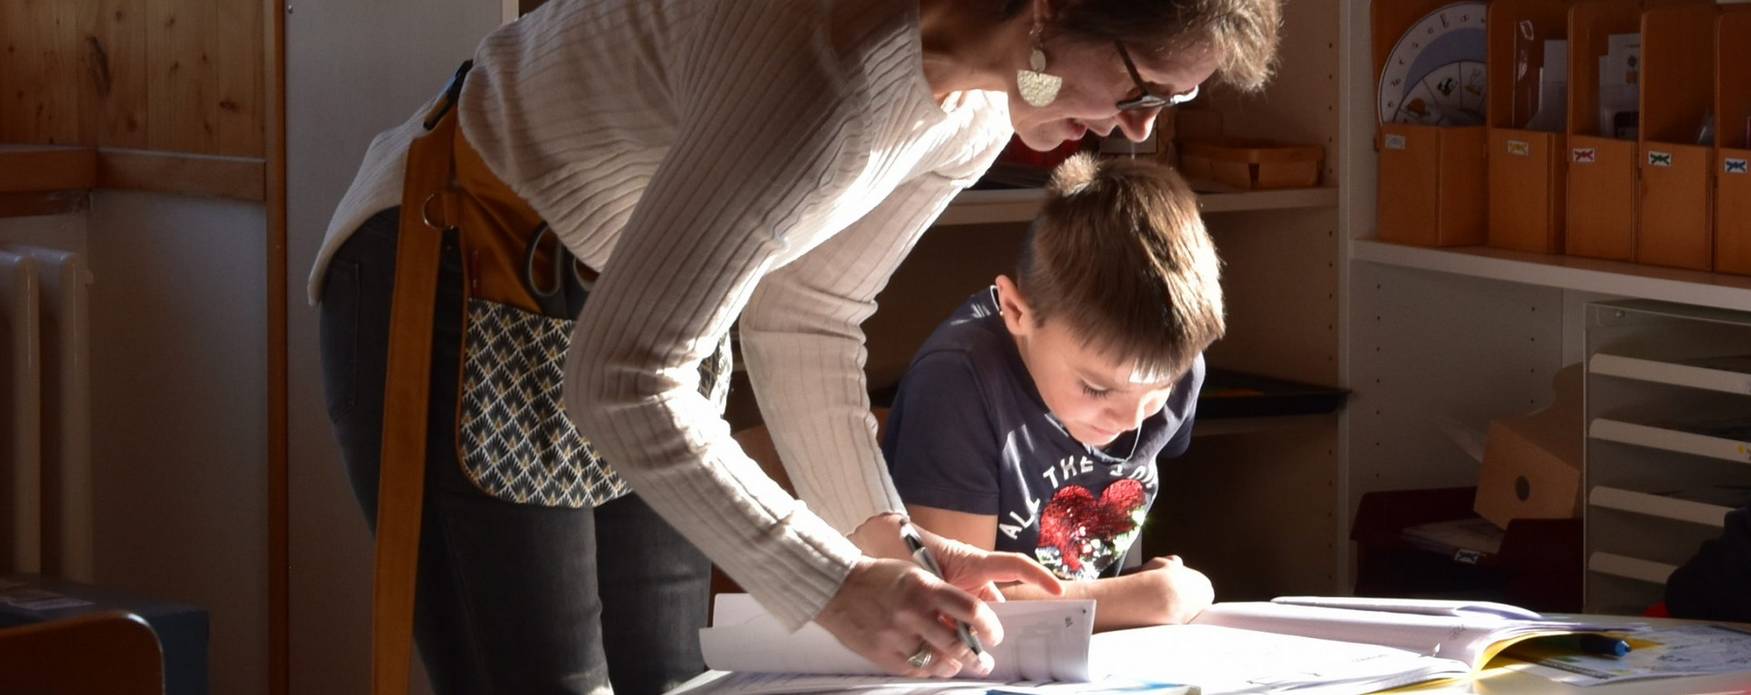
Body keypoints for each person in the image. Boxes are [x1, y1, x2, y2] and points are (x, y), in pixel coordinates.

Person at [313, 0, 1281, 692]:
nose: (1135, 127)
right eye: (1143, 86)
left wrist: (895, 548)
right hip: (462, 251)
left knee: (669, 677)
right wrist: (835, 586)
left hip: (635, 301)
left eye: (1171, 105)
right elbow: (618, 375)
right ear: (1049, 9)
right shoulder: (827, 65)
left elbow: (806, 309)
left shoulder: (978, 106)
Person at [883, 154, 1221, 632]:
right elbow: (957, 606)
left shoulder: (1169, 365)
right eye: (1096, 387)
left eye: (1158, 390)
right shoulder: (957, 382)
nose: (1131, 420)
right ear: (1018, 313)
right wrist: (1152, 598)